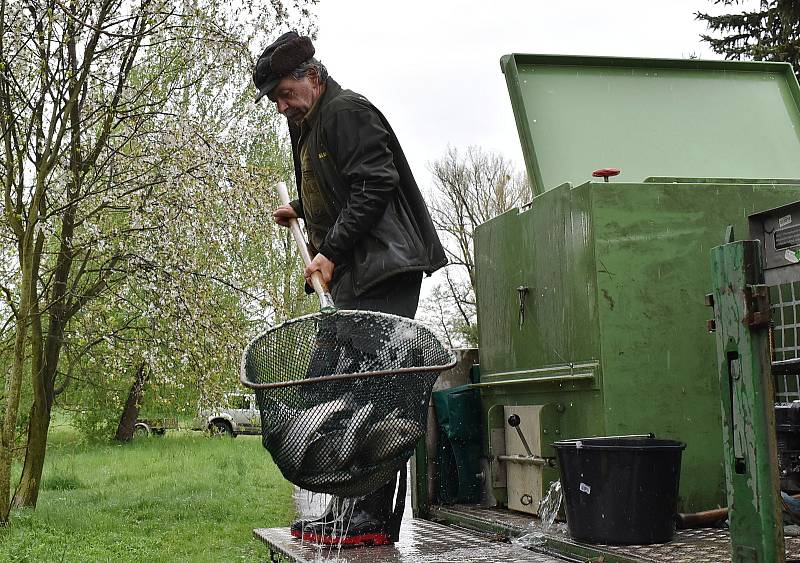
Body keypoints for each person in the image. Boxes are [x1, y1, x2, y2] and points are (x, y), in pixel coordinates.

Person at [253, 31, 447, 547]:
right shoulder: (309, 122)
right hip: (358, 272)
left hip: (385, 269)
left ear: (311, 77)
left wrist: (330, 252)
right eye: (275, 98)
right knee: (336, 385)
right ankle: (346, 510)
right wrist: (300, 206)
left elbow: (375, 184)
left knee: (373, 391)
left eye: (285, 93)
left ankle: (372, 520)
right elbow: (337, 181)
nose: (280, 105)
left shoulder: (347, 111)